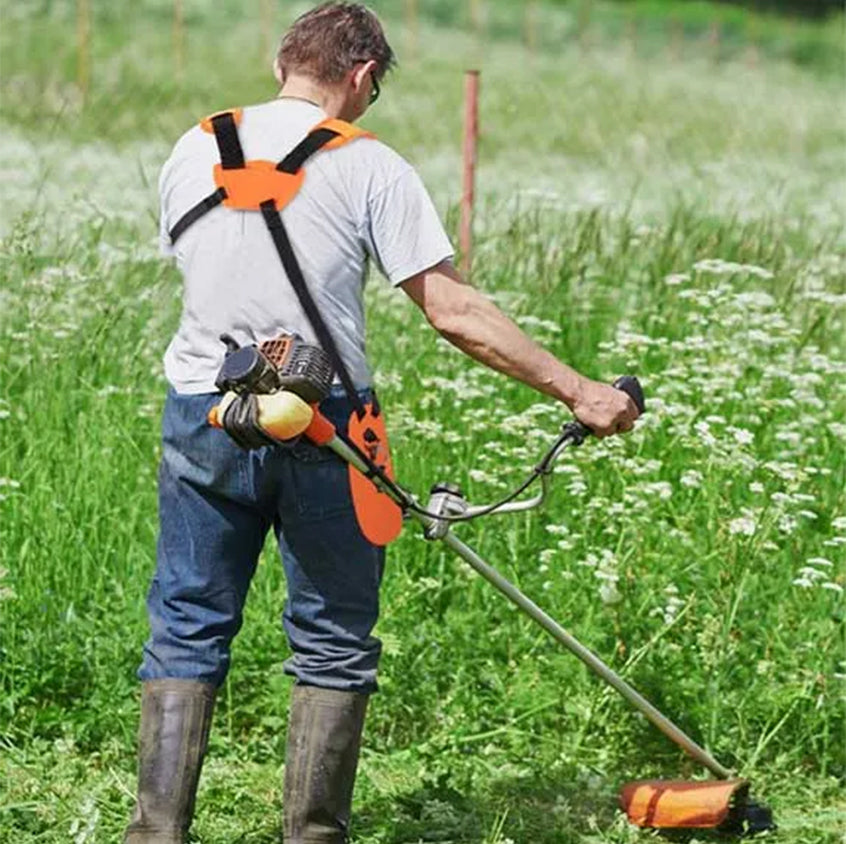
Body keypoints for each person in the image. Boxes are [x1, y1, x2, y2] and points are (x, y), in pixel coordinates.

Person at [124, 3, 640, 842]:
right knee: (331, 639)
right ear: (363, 76)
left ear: (282, 60)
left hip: (204, 410)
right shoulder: (370, 165)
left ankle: (154, 834)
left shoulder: (195, 146)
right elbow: (454, 311)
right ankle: (314, 835)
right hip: (322, 425)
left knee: (186, 624)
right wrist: (578, 390)